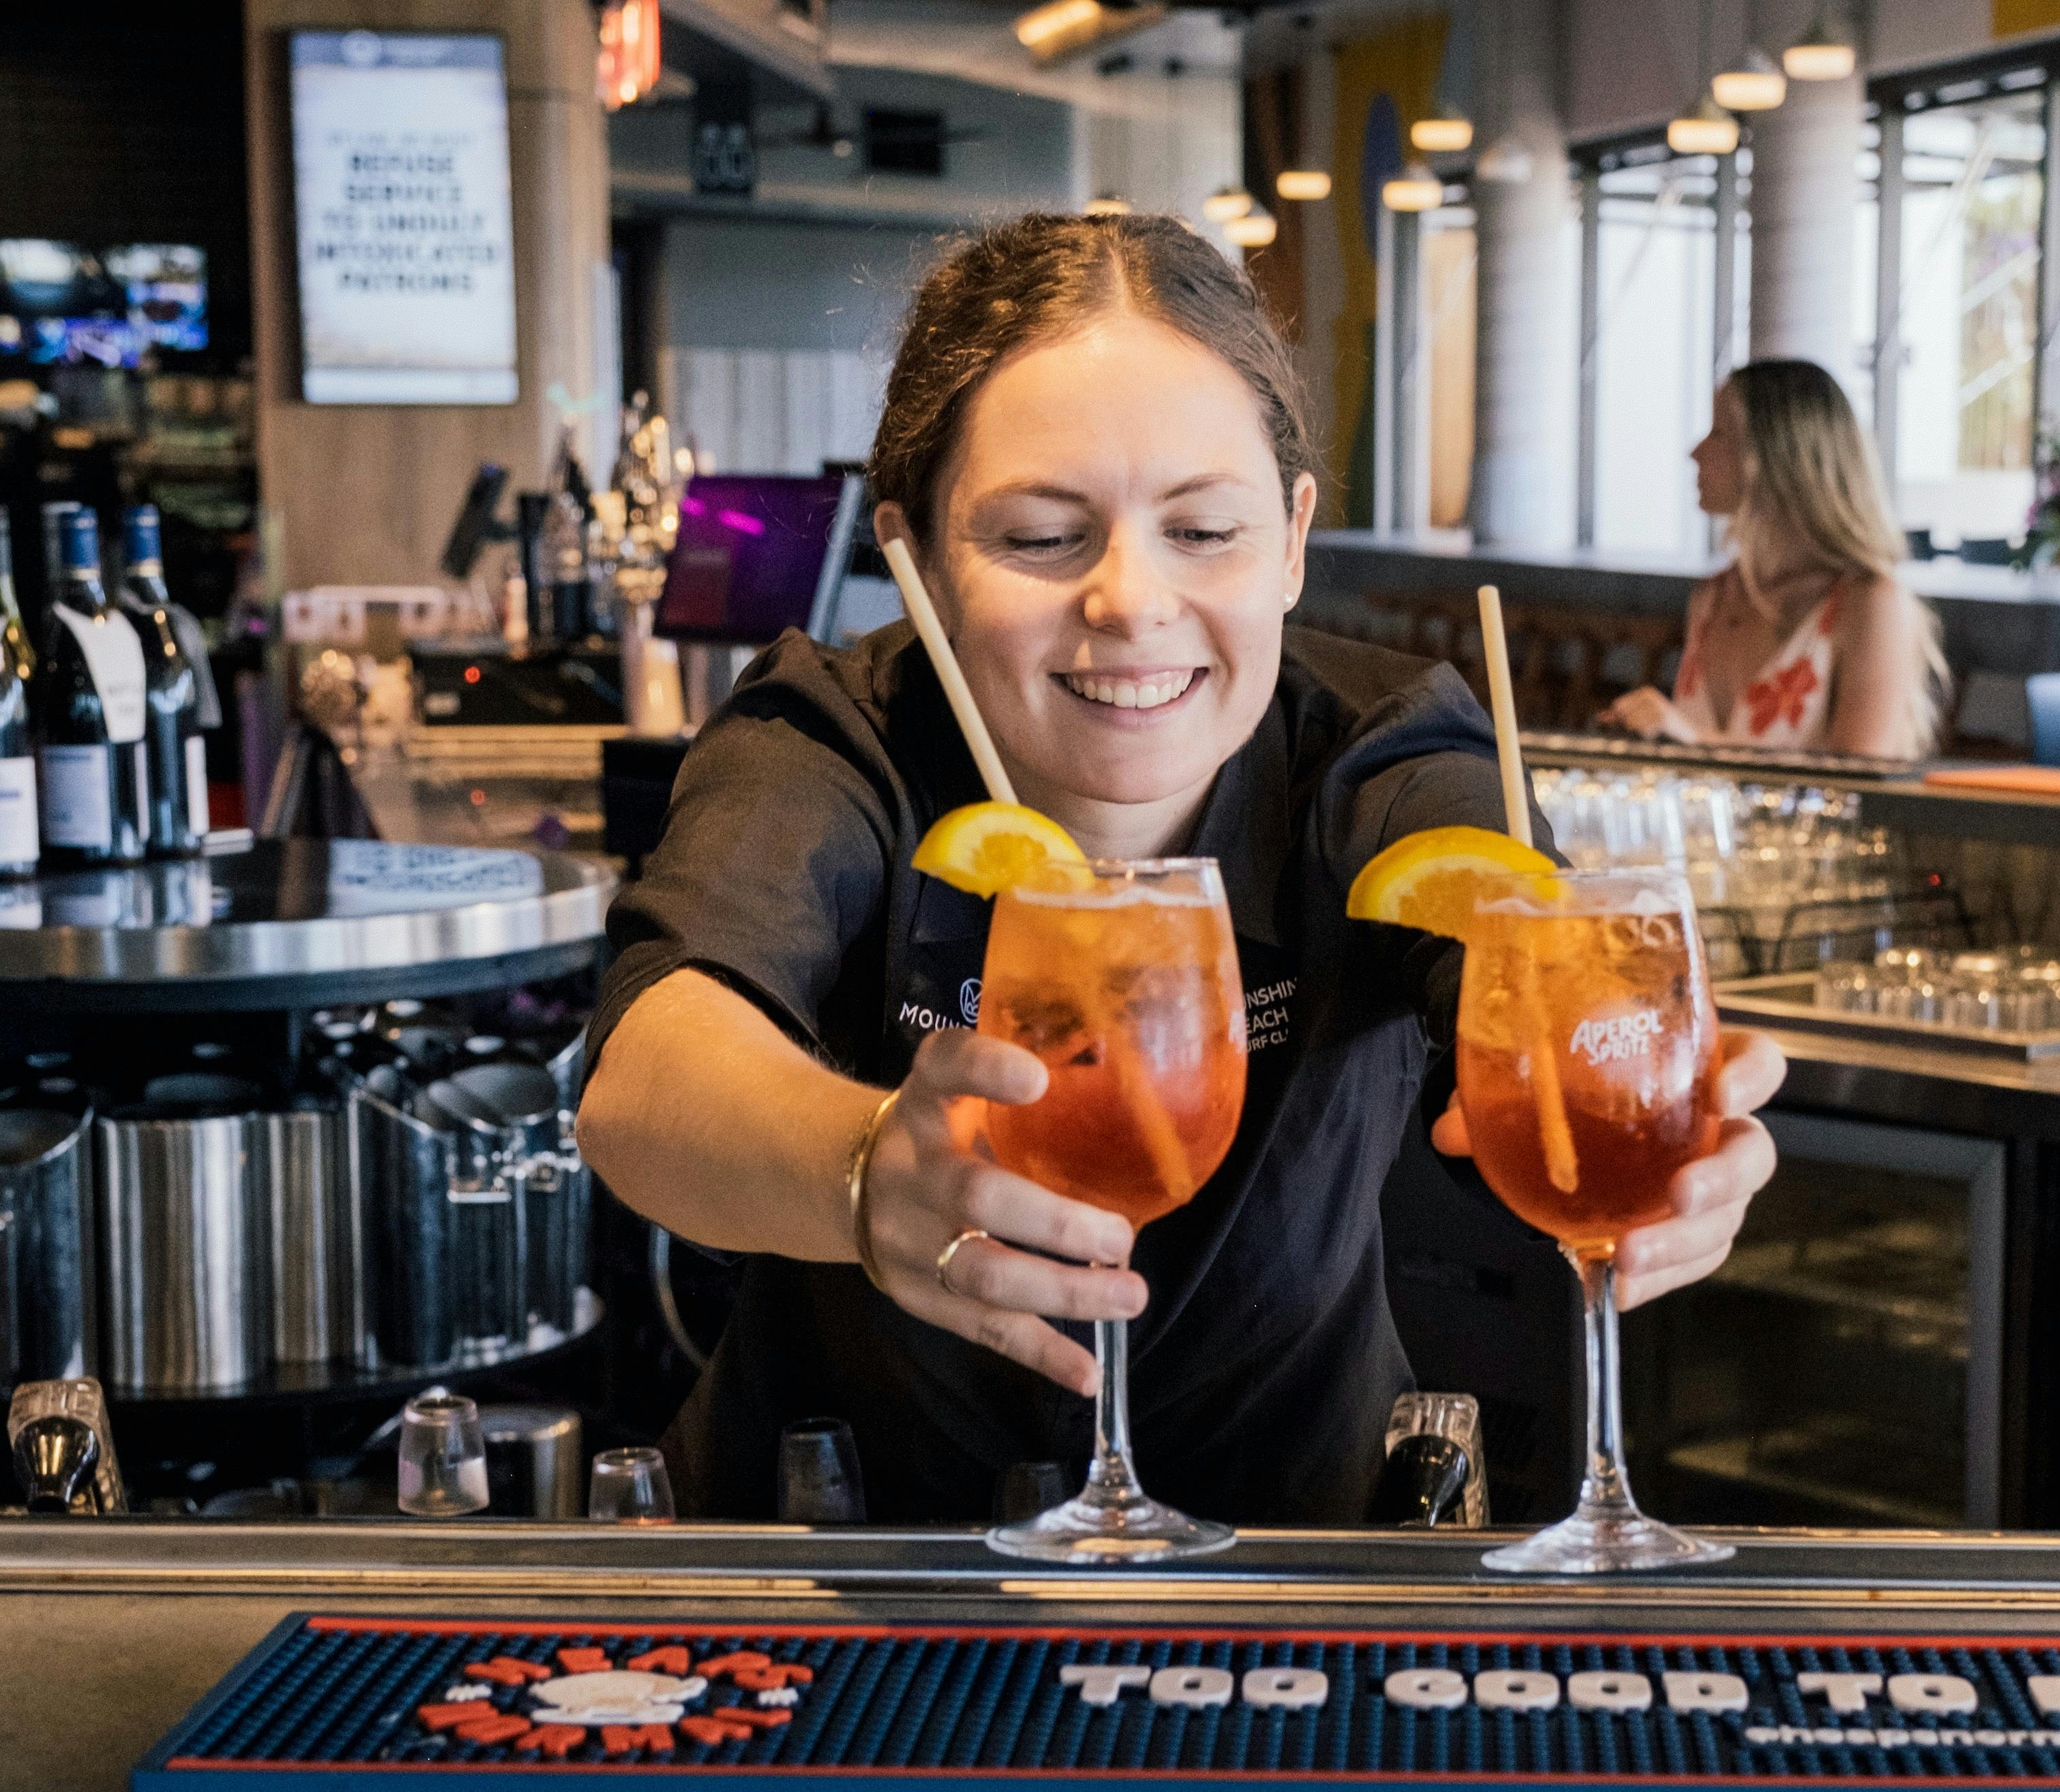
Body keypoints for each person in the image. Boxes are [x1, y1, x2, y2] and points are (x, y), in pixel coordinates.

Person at [576, 213, 1783, 1525]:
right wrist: (865, 1167)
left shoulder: (1381, 750)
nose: (1130, 601)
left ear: (1293, 539)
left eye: (1205, 530)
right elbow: (650, 1071)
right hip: (847, 1577)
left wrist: (1625, 1092)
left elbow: (1509, 922)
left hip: (1293, 1580)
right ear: (914, 552)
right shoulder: (832, 735)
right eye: (1042, 537)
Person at [1600, 358, 1946, 761]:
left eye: (1719, 433)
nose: (1695, 452)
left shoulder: (1872, 602)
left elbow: (1865, 773)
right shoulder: (1714, 597)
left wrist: (1695, 739)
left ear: (1779, 455)